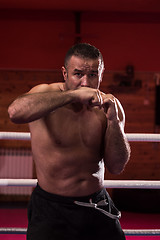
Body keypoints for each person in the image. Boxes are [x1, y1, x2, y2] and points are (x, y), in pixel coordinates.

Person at [8, 43, 130, 240]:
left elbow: (116, 166)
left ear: (101, 74)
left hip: (96, 203)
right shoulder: (45, 94)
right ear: (64, 74)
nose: (85, 83)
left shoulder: (108, 107)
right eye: (78, 74)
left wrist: (114, 122)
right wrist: (73, 96)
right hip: (52, 208)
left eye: (92, 75)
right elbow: (14, 112)